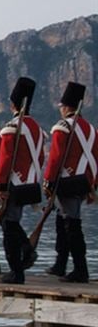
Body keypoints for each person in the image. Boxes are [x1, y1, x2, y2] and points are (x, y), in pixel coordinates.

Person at [42, 81, 97, 283]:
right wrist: (92, 187)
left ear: (66, 107)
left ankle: (80, 269)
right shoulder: (91, 129)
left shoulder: (63, 127)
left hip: (67, 182)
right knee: (62, 221)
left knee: (71, 225)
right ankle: (60, 264)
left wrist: (48, 181)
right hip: (83, 182)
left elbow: (55, 158)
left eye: (61, 107)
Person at [0, 77, 45, 285]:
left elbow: (5, 159)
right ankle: (26, 250)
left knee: (8, 226)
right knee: (12, 223)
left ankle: (16, 271)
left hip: (14, 184)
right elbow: (40, 157)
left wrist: (1, 185)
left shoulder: (11, 127)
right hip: (30, 183)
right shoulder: (37, 128)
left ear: (13, 104)